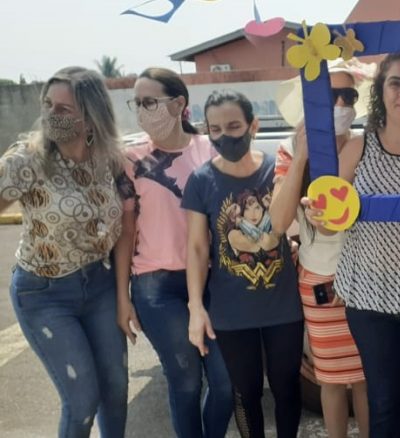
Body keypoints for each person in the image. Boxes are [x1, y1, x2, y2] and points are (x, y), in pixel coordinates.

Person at [303, 52, 400, 438]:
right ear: (381, 91)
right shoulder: (359, 149)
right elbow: (330, 221)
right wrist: (318, 214)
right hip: (368, 297)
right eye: (395, 82)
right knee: (382, 400)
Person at [1, 67, 128, 437]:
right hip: (44, 293)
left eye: (63, 108)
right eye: (47, 105)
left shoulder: (108, 158)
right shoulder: (27, 159)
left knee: (116, 390)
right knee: (82, 401)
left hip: (100, 286)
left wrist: (123, 295)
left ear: (90, 115)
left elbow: (124, 224)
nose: (51, 114)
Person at [114, 67, 232, 438]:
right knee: (185, 382)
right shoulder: (130, 159)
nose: (142, 111)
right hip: (155, 286)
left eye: (150, 102)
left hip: (213, 280)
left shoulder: (211, 149)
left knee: (226, 383)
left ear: (179, 103)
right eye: (137, 103)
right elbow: (126, 231)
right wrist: (123, 298)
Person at [183, 89, 303, 438]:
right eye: (215, 129)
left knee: (286, 386)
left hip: (283, 306)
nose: (225, 136)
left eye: (234, 126)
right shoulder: (201, 181)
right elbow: (197, 248)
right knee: (246, 392)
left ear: (254, 125)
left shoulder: (277, 169)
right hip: (231, 311)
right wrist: (195, 307)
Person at [270, 58, 374, 438]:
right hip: (318, 278)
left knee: (364, 378)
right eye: (332, 95)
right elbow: (278, 221)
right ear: (311, 98)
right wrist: (301, 155)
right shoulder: (288, 149)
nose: (341, 104)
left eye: (349, 96)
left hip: (367, 279)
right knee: (330, 379)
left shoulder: (365, 146)